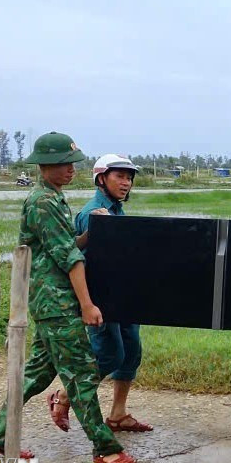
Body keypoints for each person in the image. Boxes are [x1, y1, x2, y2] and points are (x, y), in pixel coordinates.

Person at [0, 132, 139, 463]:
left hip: (49, 299)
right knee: (82, 373)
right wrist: (86, 304)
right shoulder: (42, 201)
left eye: (72, 163)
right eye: (63, 164)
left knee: (38, 374)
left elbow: (71, 241)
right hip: (55, 302)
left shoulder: (53, 197)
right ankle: (105, 446)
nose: (71, 169)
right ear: (45, 166)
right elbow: (69, 256)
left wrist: (93, 230)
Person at [47, 154, 153, 434]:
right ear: (101, 178)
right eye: (120, 176)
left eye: (129, 177)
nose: (126, 182)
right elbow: (75, 259)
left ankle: (118, 414)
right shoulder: (91, 213)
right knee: (109, 354)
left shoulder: (116, 211)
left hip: (122, 293)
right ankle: (64, 396)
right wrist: (87, 303)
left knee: (131, 352)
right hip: (100, 296)